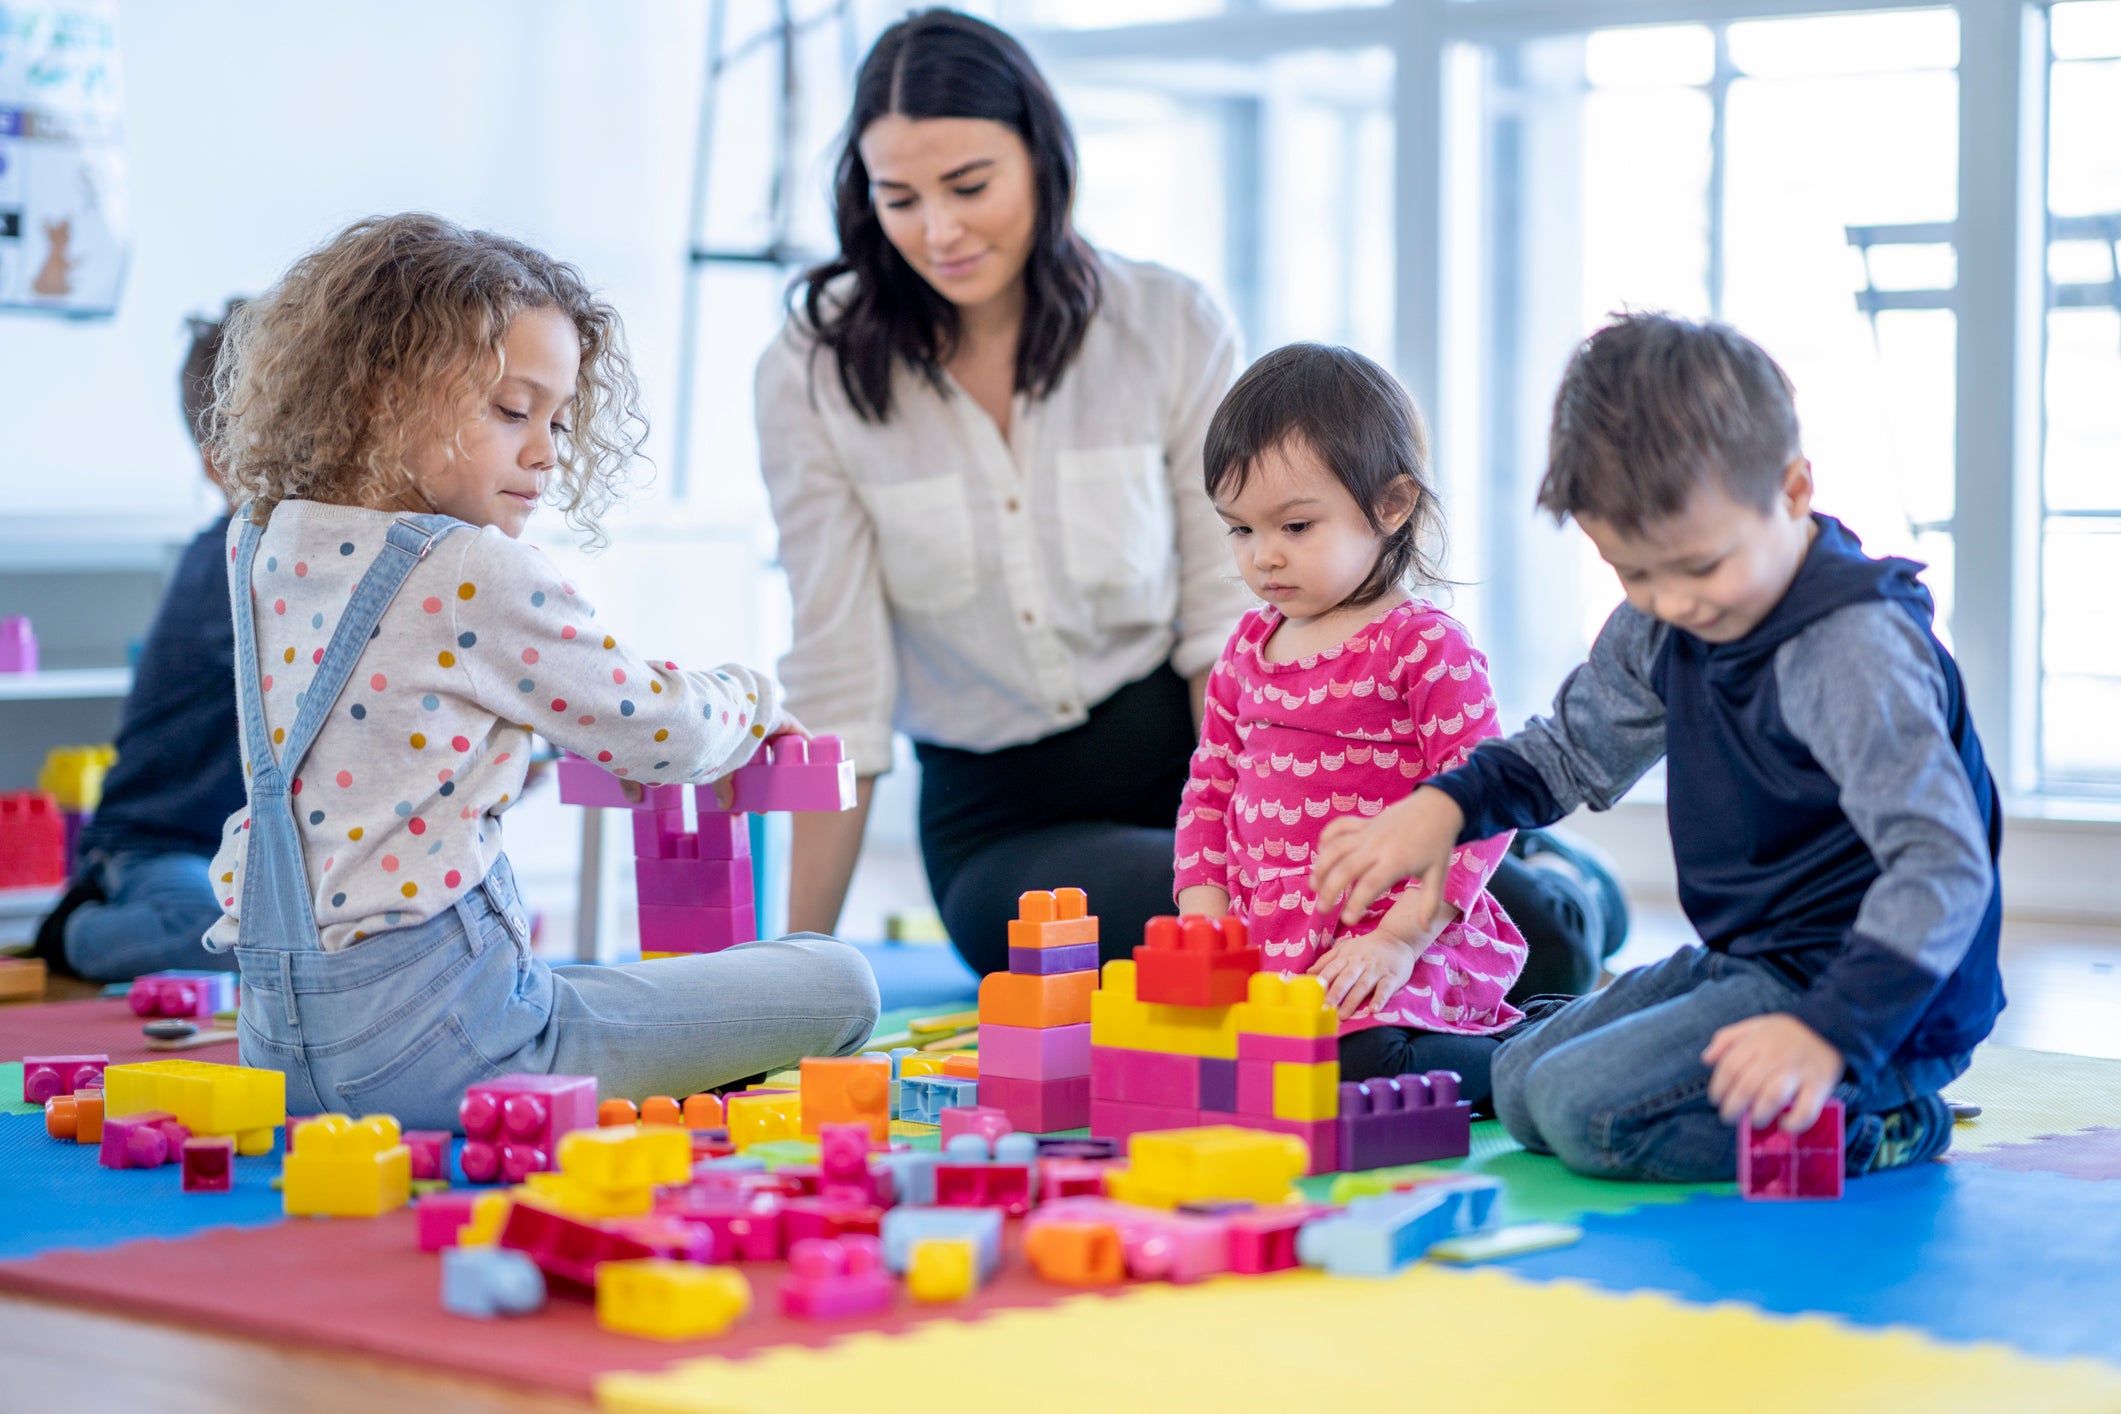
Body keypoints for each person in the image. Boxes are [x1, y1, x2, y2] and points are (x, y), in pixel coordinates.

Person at [759, 8, 1624, 989]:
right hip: (1011, 827)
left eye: (969, 186)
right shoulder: (811, 371)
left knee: (1500, 929)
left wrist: (1274, 846)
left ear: (1045, 162)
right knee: (1246, 960)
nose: (939, 230)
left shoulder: (1164, 323)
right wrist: (799, 974)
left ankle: (1549, 875)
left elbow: (1232, 616)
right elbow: (840, 683)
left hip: (1226, 765)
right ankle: (1544, 879)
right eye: (898, 198)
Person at [201, 213, 878, 1130]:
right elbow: (657, 729)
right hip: (452, 1056)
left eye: (557, 420)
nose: (547, 451)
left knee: (597, 985)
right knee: (839, 979)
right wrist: (752, 702)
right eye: (512, 411)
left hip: (277, 1051)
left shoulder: (263, 543)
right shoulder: (467, 567)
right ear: (379, 395)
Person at [1311, 312, 2001, 1181]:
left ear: (1791, 492)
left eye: (1699, 568)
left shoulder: (1847, 650)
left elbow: (1941, 868)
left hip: (1876, 1001)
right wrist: (1440, 809)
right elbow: (1568, 751)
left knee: (1583, 1118)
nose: (1670, 601)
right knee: (1521, 1087)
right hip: (1751, 961)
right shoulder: (1663, 620)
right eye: (1633, 572)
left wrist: (1828, 1033)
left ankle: (1889, 1121)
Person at [1175, 344, 1525, 1101]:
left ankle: (1540, 1055)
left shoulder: (1422, 645)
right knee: (1211, 1067)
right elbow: (1209, 792)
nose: (1263, 557)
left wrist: (1398, 939)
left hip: (1400, 940)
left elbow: (1484, 806)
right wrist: (1201, 920)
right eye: (1238, 530)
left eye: (1295, 527)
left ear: (1391, 505)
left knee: (1358, 1067)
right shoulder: (1244, 649)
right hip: (1276, 950)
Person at [33, 306, 247, 981]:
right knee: (214, 937)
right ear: (217, 467)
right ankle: (73, 932)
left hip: (246, 859)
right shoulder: (224, 565)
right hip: (159, 847)